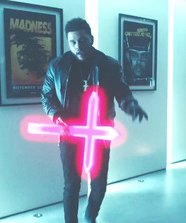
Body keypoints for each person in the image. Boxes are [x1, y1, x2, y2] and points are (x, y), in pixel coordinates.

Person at [41, 18, 148, 223]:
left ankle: (90, 216)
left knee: (99, 184)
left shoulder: (108, 65)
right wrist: (56, 116)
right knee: (71, 184)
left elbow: (122, 91)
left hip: (98, 133)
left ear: (91, 38)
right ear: (68, 42)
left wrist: (130, 104)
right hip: (69, 133)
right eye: (72, 42)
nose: (78, 46)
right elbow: (47, 95)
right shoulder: (57, 66)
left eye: (82, 40)